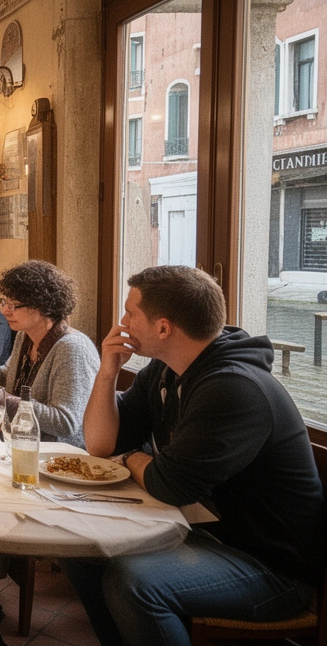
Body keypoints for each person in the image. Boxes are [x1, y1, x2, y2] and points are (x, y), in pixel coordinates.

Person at [64, 266, 324, 646]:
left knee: (135, 584)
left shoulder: (234, 387)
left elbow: (168, 485)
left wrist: (133, 458)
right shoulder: (165, 370)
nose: (121, 322)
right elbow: (101, 446)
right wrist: (106, 373)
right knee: (78, 548)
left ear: (164, 328)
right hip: (198, 534)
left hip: (268, 567)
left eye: (130, 312)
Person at [0, 261, 99, 447]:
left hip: (58, 456)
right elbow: (7, 379)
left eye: (14, 305)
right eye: (5, 302)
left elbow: (65, 423)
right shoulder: (25, 336)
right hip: (19, 444)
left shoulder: (72, 348)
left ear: (43, 305)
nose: (5, 310)